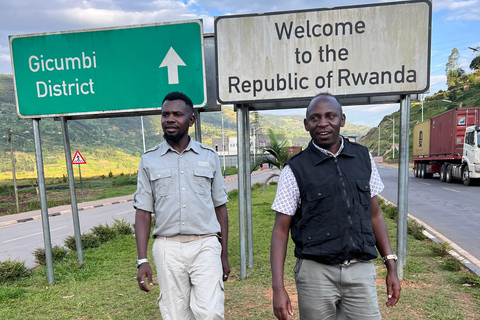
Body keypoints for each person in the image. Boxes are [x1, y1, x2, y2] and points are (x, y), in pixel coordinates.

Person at [270, 93, 401, 320]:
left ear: (342, 119)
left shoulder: (363, 157)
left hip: (360, 270)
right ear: (306, 124)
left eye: (330, 116)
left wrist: (390, 264)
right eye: (315, 118)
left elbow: (375, 216)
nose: (323, 123)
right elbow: (280, 231)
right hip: (315, 273)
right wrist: (278, 288)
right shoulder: (295, 169)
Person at [133, 91, 230, 320]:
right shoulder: (149, 160)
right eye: (165, 114)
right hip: (167, 248)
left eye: (177, 114)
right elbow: (143, 212)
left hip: (205, 244)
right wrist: (142, 259)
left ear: (191, 119)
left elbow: (220, 209)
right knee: (175, 315)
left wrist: (223, 254)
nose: (170, 119)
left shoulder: (209, 156)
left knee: (211, 313)